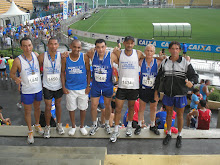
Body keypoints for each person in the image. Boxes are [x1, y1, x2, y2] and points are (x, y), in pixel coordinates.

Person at [154, 41, 198, 148]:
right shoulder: (165, 62)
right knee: (169, 114)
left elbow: (195, 76)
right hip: (168, 94)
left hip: (180, 95)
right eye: (172, 48)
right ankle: (168, 133)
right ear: (169, 50)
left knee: (179, 115)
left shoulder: (185, 63)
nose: (175, 51)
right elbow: (159, 78)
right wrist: (157, 91)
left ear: (179, 50)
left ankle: (179, 135)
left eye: (177, 49)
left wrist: (191, 82)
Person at [109, 36, 145, 143]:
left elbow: (147, 58)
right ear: (124, 43)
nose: (129, 45)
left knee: (131, 108)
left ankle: (129, 126)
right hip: (122, 87)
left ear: (133, 44)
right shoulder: (119, 54)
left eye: (131, 43)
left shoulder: (137, 53)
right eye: (127, 43)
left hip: (133, 87)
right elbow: (111, 56)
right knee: (118, 108)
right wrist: (115, 50)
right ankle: (116, 130)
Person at [10, 37, 44, 144]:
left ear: (32, 46)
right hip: (27, 91)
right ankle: (30, 130)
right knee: (28, 111)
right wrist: (16, 78)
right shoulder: (18, 60)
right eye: (24, 46)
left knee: (38, 108)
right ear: (21, 47)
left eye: (29, 45)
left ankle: (37, 125)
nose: (27, 48)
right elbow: (11, 73)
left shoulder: (36, 55)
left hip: (38, 88)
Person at [61, 39, 91, 136]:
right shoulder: (65, 58)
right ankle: (73, 126)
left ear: (81, 48)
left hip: (82, 88)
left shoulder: (84, 57)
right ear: (70, 46)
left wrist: (88, 86)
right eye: (74, 47)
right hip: (70, 88)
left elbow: (88, 71)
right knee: (71, 108)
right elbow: (62, 72)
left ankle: (82, 126)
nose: (76, 49)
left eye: (78, 47)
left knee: (83, 108)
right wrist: (63, 86)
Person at [38, 37, 65, 138]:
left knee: (58, 105)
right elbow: (36, 67)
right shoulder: (42, 56)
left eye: (55, 44)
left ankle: (58, 124)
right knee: (48, 107)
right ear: (48, 45)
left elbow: (63, 71)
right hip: (47, 86)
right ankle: (47, 127)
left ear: (58, 45)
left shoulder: (61, 56)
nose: (53, 46)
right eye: (51, 44)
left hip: (58, 85)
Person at [86, 39, 114, 136]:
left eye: (102, 47)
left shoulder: (111, 55)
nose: (100, 49)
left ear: (105, 47)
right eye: (98, 47)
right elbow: (84, 55)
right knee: (93, 106)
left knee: (107, 106)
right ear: (95, 48)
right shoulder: (92, 54)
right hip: (96, 86)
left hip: (107, 86)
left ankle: (107, 124)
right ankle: (94, 125)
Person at [134, 44, 162, 136]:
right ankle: (139, 125)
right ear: (145, 52)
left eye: (151, 51)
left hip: (153, 89)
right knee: (141, 108)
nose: (149, 52)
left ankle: (153, 125)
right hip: (143, 88)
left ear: (154, 53)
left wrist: (159, 56)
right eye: (148, 51)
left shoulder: (157, 62)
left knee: (153, 108)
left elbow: (165, 59)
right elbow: (136, 55)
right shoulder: (141, 61)